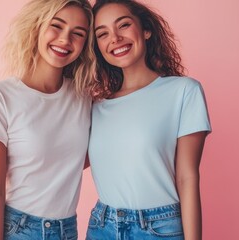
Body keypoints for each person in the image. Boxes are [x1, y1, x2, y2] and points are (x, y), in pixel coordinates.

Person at [0, 0, 95, 239]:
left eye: (78, 33)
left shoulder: (83, 98)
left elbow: (78, 160)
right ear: (36, 26)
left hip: (66, 230)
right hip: (16, 228)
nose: (66, 40)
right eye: (57, 26)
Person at [86, 0, 211, 239]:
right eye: (102, 34)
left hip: (159, 228)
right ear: (97, 47)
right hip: (102, 226)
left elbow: (187, 177)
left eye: (123, 25)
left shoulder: (183, 91)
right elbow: (65, 164)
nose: (115, 38)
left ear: (146, 29)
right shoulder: (95, 106)